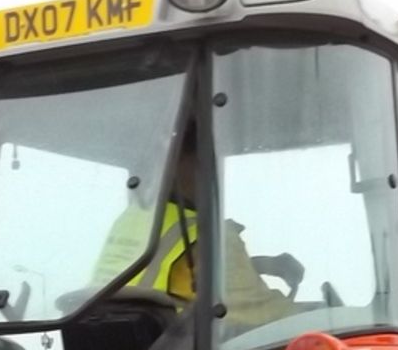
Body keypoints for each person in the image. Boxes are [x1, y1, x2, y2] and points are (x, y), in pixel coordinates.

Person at [95, 126, 304, 331]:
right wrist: (326, 315)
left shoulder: (132, 219)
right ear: (182, 165)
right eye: (206, 163)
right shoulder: (207, 235)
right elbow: (263, 315)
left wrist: (262, 265)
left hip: (116, 342)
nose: (212, 174)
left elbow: (172, 274)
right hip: (174, 347)